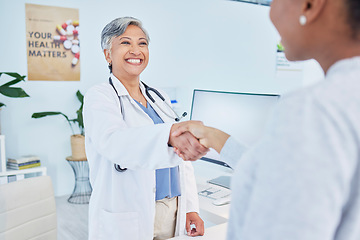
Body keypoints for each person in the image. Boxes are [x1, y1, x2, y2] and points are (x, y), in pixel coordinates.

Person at [171, 0, 360, 239]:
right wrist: (216, 137)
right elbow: (279, 173)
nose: (271, 14)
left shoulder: (313, 109)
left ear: (310, 5)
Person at [83, 17, 207, 240]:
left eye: (142, 43)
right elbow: (114, 142)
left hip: (173, 209)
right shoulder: (100, 97)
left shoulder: (160, 98)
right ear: (107, 54)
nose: (135, 50)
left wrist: (191, 208)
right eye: (125, 43)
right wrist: (169, 135)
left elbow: (181, 161)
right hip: (130, 213)